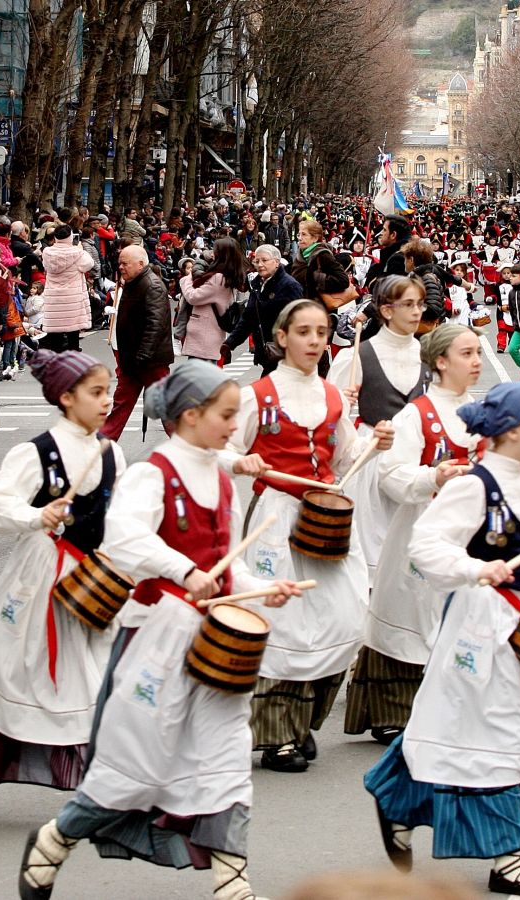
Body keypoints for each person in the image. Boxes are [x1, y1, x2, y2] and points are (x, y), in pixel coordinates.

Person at [15, 360, 302, 900]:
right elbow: (123, 540)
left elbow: (223, 561)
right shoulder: (154, 473)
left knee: (226, 756)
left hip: (215, 640)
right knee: (136, 766)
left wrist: (262, 587)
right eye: (226, 415)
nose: (233, 425)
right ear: (190, 416)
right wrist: (182, 571)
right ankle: (55, 840)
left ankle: (232, 883)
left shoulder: (220, 474)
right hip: (153, 637)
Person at [365, 380, 520, 898]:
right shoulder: (473, 486)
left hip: (515, 624)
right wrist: (474, 568)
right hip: (476, 627)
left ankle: (397, 801)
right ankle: (509, 859)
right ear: (514, 430)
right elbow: (426, 545)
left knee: (463, 727)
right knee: (494, 732)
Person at [0, 350, 125, 813]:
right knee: (13, 669)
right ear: (66, 397)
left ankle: (91, 781)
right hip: (40, 575)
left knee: (90, 673)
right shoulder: (36, 453)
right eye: (96, 392)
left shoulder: (111, 452)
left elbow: (121, 515)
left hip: (90, 577)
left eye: (108, 391)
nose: (107, 401)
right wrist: (36, 514)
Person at [226, 299, 391, 772]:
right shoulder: (256, 395)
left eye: (321, 331)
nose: (315, 340)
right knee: (283, 626)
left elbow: (344, 461)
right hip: (276, 517)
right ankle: (277, 736)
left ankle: (302, 721)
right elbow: (223, 451)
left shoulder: (333, 397)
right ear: (281, 338)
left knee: (344, 616)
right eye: (303, 331)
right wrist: (242, 461)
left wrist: (373, 444)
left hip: (327, 519)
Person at [344, 324, 479, 744]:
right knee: (410, 615)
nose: (476, 362)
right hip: (421, 530)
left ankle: (482, 712)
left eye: (478, 354)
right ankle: (392, 713)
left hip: (467, 532)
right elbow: (391, 475)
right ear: (440, 362)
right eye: (467, 354)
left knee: (468, 618)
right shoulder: (416, 415)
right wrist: (432, 476)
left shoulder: (479, 413)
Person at [327, 275, 425, 569]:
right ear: (386, 310)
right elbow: (332, 422)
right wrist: (344, 402)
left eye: (420, 303)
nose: (417, 311)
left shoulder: (428, 356)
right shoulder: (357, 356)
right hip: (370, 461)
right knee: (370, 558)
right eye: (408, 304)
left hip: (414, 463)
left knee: (407, 561)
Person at [101, 244, 173, 440]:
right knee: (121, 404)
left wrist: (143, 356)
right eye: (120, 264)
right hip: (134, 360)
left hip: (149, 361)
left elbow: (155, 325)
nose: (121, 267)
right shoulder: (135, 283)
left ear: (140, 264)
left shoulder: (152, 285)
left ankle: (187, 447)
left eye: (125, 263)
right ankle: (102, 443)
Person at [222, 244, 301, 375]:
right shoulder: (258, 284)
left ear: (276, 262)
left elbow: (298, 322)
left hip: (286, 355)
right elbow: (249, 318)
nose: (259, 264)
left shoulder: (289, 285)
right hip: (268, 354)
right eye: (257, 261)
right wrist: (230, 343)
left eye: (264, 260)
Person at [179, 237, 244, 363]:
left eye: (215, 250)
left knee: (200, 377)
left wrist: (187, 279)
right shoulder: (227, 275)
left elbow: (193, 296)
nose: (212, 253)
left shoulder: (218, 278)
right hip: (209, 332)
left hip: (205, 334)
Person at [37, 224, 94, 353]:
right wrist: (79, 248)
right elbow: (89, 264)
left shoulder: (47, 253)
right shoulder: (78, 253)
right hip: (72, 299)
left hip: (54, 300)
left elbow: (45, 266)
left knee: (55, 335)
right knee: (73, 333)